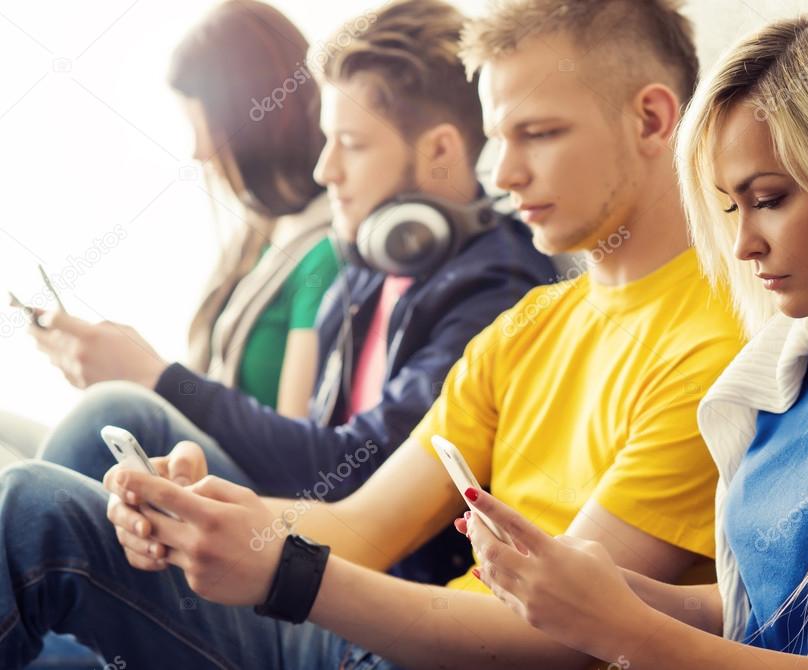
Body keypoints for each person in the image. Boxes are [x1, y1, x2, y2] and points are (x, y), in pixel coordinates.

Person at [0, 1, 748, 668]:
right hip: (378, 634)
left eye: (540, 134)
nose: (506, 173)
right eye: (499, 138)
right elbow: (363, 525)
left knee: (31, 511)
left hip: (431, 648)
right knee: (40, 505)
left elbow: (566, 634)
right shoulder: (530, 325)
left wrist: (287, 572)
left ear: (653, 120)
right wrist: (212, 512)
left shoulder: (713, 348)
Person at [456, 8, 808, 669]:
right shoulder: (800, 371)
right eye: (730, 205)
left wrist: (622, 631)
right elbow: (768, 616)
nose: (743, 244)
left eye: (770, 198)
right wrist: (599, 591)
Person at [38, 0, 553, 586]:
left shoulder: (497, 292)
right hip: (308, 536)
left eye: (352, 145)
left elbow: (354, 473)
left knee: (90, 444)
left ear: (438, 151)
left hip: (375, 592)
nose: (324, 170)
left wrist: (161, 379)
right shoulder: (367, 265)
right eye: (327, 140)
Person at [26, 0, 340, 421]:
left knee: (100, 415)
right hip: (200, 457)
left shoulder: (322, 255)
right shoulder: (261, 234)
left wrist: (150, 378)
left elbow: (296, 449)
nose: (198, 151)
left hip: (244, 482)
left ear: (256, 120)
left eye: (202, 124)